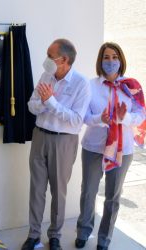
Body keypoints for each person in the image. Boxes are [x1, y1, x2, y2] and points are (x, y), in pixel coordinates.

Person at [21, 39, 91, 250]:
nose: (46, 60)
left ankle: (55, 236)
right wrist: (44, 102)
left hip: (64, 141)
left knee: (58, 191)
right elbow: (31, 106)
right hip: (40, 135)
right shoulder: (46, 76)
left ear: (64, 60)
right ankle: (33, 235)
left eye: (50, 56)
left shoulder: (81, 83)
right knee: (36, 189)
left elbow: (76, 120)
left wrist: (50, 102)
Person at [75, 42, 146, 250]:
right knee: (88, 192)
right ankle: (83, 231)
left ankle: (104, 239)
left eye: (115, 57)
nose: (111, 61)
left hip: (123, 149)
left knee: (113, 196)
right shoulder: (90, 86)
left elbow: (141, 115)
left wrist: (123, 118)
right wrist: (101, 118)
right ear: (100, 60)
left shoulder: (132, 86)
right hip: (93, 147)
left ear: (121, 60)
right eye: (106, 57)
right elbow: (84, 117)